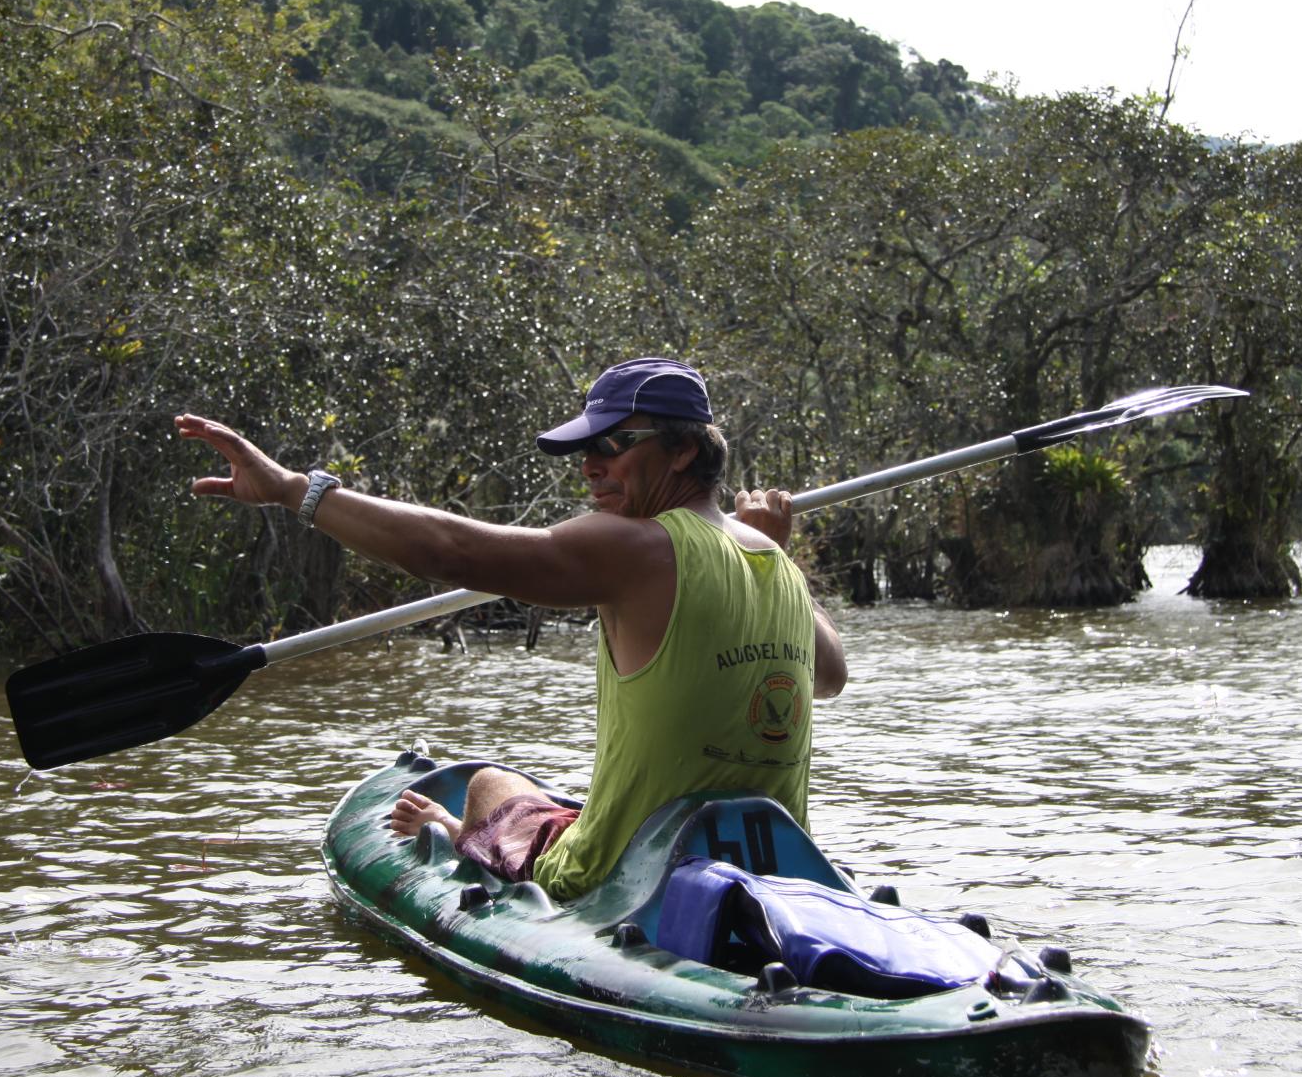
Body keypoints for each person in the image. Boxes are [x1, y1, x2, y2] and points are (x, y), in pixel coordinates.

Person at [176, 357, 845, 901]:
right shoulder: (780, 569)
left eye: (613, 444)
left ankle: (456, 832)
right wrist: (772, 547)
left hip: (628, 878)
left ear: (684, 452)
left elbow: (452, 552)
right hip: (774, 877)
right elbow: (830, 676)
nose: (590, 464)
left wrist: (298, 490)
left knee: (490, 783)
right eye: (585, 448)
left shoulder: (637, 547)